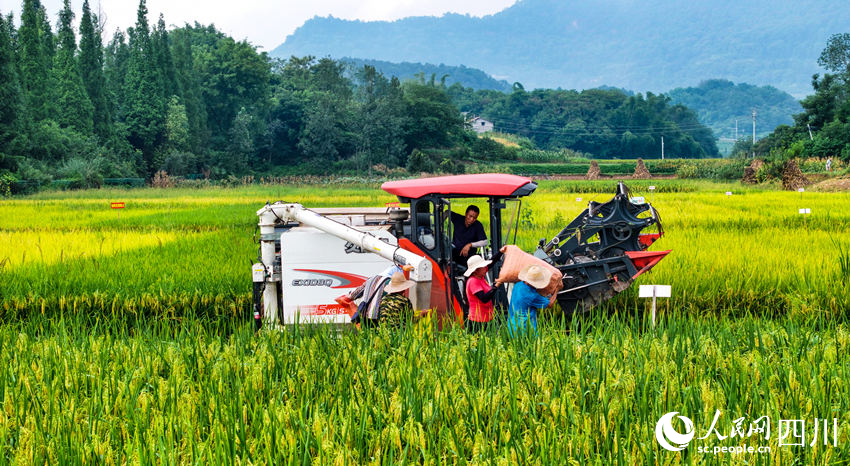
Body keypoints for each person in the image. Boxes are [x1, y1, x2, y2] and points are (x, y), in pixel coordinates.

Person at [507, 264, 553, 337]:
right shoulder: (532, 296)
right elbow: (550, 304)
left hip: (512, 325)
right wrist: (556, 290)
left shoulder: (518, 285)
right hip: (525, 330)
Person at [463, 254, 502, 333]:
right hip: (478, 320)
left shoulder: (481, 277)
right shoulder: (473, 281)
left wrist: (500, 252)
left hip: (487, 317)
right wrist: (496, 286)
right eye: (483, 267)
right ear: (476, 270)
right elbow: (484, 298)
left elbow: (492, 262)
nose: (486, 268)